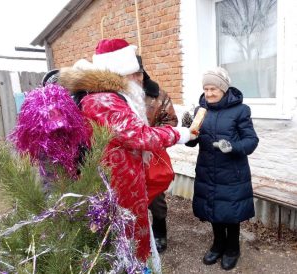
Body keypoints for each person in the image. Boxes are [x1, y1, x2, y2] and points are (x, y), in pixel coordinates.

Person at [56, 38, 197, 265]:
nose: (138, 79)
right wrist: (181, 134)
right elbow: (139, 135)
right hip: (117, 184)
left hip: (121, 178)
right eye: (134, 73)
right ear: (123, 72)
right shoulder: (104, 100)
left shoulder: (106, 95)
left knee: (127, 233)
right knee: (124, 240)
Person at [184, 67, 259, 270]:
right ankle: (218, 245)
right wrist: (187, 130)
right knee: (213, 209)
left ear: (224, 89)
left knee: (231, 212)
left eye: (213, 89)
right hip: (208, 169)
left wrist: (232, 146)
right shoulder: (201, 111)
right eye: (205, 89)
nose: (208, 93)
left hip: (232, 171)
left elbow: (251, 141)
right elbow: (192, 142)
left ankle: (233, 248)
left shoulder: (240, 110)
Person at [134, 55, 178, 253]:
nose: (135, 78)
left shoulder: (157, 94)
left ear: (143, 72)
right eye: (129, 74)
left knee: (156, 198)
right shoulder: (113, 96)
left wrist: (150, 137)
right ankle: (134, 236)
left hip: (151, 155)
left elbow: (170, 122)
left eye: (138, 73)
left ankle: (160, 232)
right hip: (124, 158)